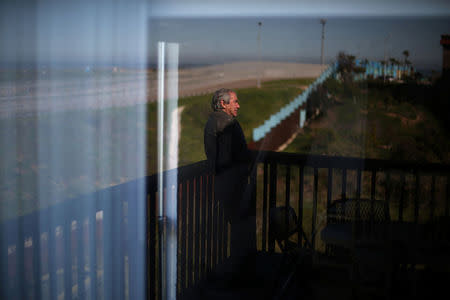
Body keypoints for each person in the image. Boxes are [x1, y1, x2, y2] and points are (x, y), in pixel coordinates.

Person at [204, 88, 255, 274]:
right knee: (241, 231)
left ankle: (234, 269)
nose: (238, 105)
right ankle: (240, 271)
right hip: (234, 186)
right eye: (235, 101)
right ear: (224, 104)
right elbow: (228, 157)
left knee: (233, 228)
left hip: (226, 184)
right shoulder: (226, 124)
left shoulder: (213, 121)